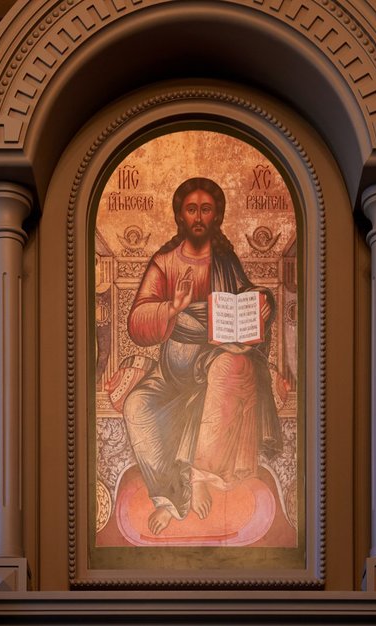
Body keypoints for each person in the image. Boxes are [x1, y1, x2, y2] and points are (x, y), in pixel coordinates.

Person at [122, 177, 281, 535]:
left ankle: (199, 476)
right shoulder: (164, 262)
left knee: (230, 366)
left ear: (216, 216)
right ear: (180, 215)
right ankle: (169, 498)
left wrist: (263, 305)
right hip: (173, 370)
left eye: (205, 209)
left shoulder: (225, 260)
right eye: (191, 209)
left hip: (215, 356)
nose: (197, 217)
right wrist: (172, 307)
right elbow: (137, 323)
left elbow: (247, 296)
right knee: (137, 406)